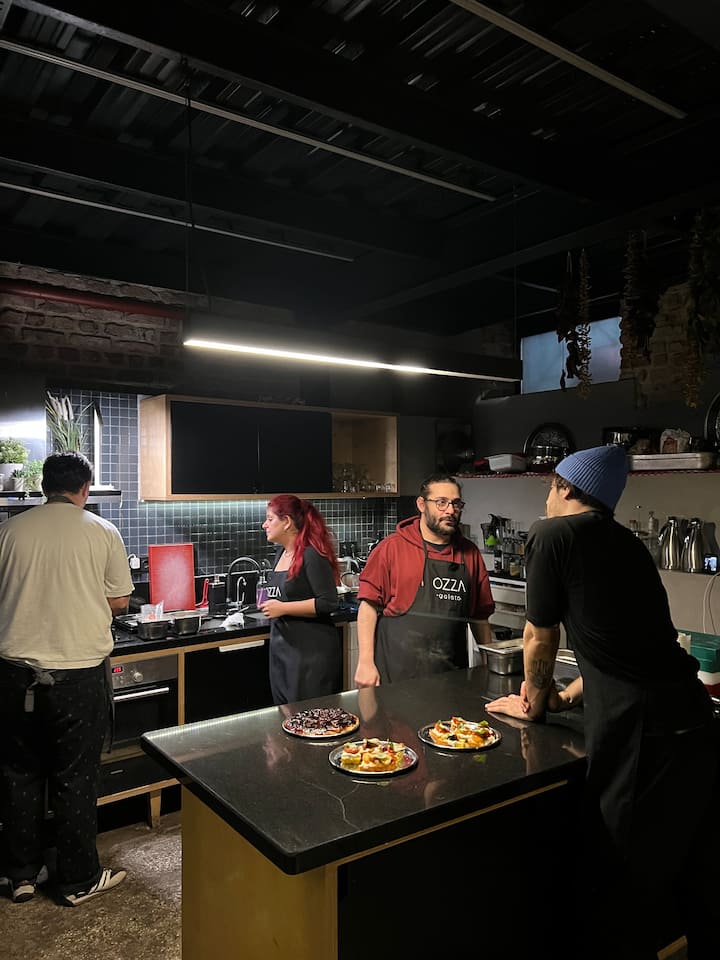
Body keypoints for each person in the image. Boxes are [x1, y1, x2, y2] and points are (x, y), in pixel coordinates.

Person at [486, 444, 720, 959]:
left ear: (565, 487)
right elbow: (622, 645)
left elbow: (539, 635)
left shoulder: (551, 534)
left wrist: (534, 703)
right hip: (696, 725)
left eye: (550, 486)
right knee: (697, 885)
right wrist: (566, 697)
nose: (546, 498)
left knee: (620, 889)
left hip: (644, 737)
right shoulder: (626, 543)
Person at [0, 452, 133, 906]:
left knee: (18, 773)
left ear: (44, 486)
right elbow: (120, 601)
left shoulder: (9, 531)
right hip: (78, 674)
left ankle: (20, 873)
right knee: (75, 776)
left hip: (14, 675)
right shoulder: (102, 531)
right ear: (85, 488)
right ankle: (78, 880)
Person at [354, 472, 494, 687]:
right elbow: (368, 606)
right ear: (421, 504)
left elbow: (480, 617)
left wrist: (489, 665)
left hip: (452, 680)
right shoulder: (392, 548)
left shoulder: (470, 553)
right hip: (396, 678)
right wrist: (365, 663)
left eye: (456, 504)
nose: (450, 510)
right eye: (441, 502)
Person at [259, 494, 341, 704]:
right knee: (285, 715)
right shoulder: (281, 554)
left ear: (286, 522)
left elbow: (328, 602)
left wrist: (283, 608)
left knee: (309, 716)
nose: (264, 525)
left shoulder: (311, 555)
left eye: (270, 519)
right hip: (282, 652)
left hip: (310, 655)